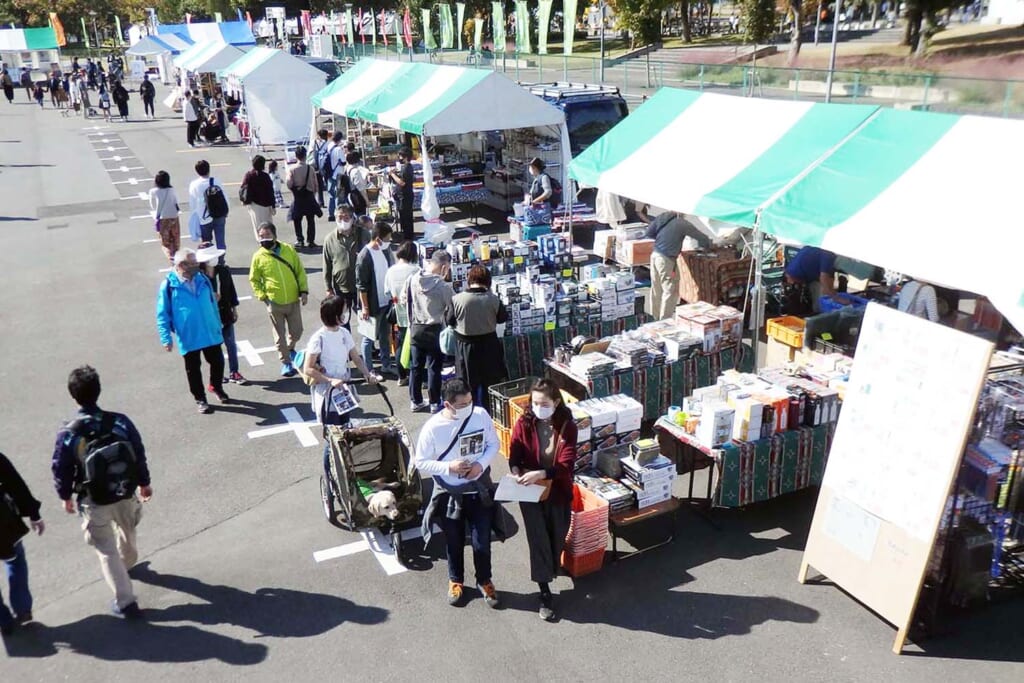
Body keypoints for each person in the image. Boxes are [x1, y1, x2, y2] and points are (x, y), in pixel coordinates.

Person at [52, 366, 152, 619]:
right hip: (124, 491)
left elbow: (61, 468)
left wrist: (65, 496)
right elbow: (138, 452)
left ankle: (126, 601)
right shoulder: (119, 421)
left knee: (105, 549)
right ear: (98, 391)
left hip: (93, 498)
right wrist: (144, 482)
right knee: (128, 531)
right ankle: (127, 563)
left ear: (73, 396)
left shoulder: (69, 434)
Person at [416, 378, 502, 608]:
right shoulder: (433, 427)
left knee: (481, 540)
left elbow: (494, 444)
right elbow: (420, 462)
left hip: (478, 489)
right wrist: (448, 468)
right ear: (448, 405)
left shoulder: (480, 415)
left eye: (470, 402)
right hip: (449, 493)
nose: (468, 407)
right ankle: (456, 580)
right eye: (462, 405)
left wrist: (480, 465)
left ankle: (485, 580)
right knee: (453, 540)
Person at [508, 378, 578, 621]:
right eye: (534, 403)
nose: (538, 407)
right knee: (538, 539)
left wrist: (544, 473)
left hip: (557, 490)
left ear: (556, 402)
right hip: (530, 492)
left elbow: (566, 463)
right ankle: (545, 590)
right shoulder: (524, 422)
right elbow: (514, 453)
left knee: (558, 533)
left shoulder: (567, 426)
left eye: (544, 403)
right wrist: (517, 471)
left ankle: (551, 566)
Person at [303, 296, 379, 500]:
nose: (347, 314)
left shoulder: (344, 333)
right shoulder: (318, 338)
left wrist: (367, 374)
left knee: (346, 434)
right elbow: (308, 368)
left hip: (343, 393)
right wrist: (329, 379)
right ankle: (330, 476)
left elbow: (355, 357)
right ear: (336, 315)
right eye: (344, 311)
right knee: (332, 438)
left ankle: (348, 471)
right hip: (327, 394)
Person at [157, 249, 228, 413]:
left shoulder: (202, 278)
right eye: (193, 263)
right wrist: (165, 338)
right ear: (182, 265)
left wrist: (218, 323)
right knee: (193, 369)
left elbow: (212, 303)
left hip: (209, 330)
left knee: (217, 362)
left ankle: (216, 386)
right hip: (189, 335)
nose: (198, 265)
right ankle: (200, 399)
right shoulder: (168, 285)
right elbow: (162, 314)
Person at [249, 223, 309, 377]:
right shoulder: (258, 257)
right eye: (261, 236)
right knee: (279, 336)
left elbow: (299, 271)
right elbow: (254, 279)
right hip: (274, 302)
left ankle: (290, 347)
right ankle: (286, 362)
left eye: (267, 235)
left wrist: (303, 291)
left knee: (297, 331)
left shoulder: (288, 250)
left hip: (293, 299)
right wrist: (262, 296)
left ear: (275, 235)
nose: (264, 238)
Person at [448, 265, 508, 408]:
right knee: (490, 385)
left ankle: (469, 411)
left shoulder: (457, 299)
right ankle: (490, 413)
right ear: (488, 281)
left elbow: (449, 320)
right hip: (489, 347)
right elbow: (502, 318)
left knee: (468, 385)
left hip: (465, 348)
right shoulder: (493, 299)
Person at [0, 452, 44, 636]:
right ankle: (22, 608)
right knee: (15, 561)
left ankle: (3, 620)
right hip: (4, 524)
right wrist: (33, 513)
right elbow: (16, 485)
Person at [405, 250, 454, 412]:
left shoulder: (412, 279)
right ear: (444, 266)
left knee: (416, 366)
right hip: (434, 330)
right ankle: (434, 402)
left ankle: (416, 400)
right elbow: (453, 305)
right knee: (434, 368)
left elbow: (406, 300)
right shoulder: (442, 286)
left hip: (416, 328)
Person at [197, 244, 247, 385]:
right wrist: (210, 296)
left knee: (230, 343)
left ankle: (234, 372)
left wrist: (234, 308)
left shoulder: (223, 271)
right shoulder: (198, 276)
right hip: (209, 316)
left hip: (225, 312)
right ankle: (217, 375)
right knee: (213, 347)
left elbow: (231, 289)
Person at [645, 211, 708, 320]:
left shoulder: (663, 218)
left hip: (655, 255)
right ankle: (665, 320)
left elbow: (649, 233)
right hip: (666, 259)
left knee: (656, 288)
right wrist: (708, 246)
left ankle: (653, 318)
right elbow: (700, 236)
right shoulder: (681, 223)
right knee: (670, 290)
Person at [356, 221, 396, 379]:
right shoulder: (364, 256)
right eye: (387, 238)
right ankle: (369, 370)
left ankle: (386, 365)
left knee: (385, 335)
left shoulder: (385, 251)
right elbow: (362, 286)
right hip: (372, 305)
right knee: (368, 338)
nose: (389, 242)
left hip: (386, 302)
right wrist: (365, 308)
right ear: (378, 239)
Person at [323, 204, 369, 320]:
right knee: (342, 319)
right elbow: (327, 264)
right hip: (341, 287)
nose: (343, 220)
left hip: (362, 286)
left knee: (365, 319)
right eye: (340, 217)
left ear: (353, 218)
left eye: (346, 217)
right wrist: (328, 288)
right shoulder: (330, 239)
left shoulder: (363, 234)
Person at [384, 240, 420, 387]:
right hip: (415, 313)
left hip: (398, 312)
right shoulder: (415, 270)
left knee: (399, 343)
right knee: (414, 346)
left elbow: (387, 292)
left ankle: (401, 375)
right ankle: (415, 376)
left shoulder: (390, 270)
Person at [188, 159, 229, 257]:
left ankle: (209, 262)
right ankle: (221, 262)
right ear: (209, 169)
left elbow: (192, 203)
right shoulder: (216, 181)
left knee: (206, 241)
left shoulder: (194, 184)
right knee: (220, 240)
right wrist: (226, 211)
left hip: (204, 217)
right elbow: (224, 197)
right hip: (219, 214)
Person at [784, 246, 836, 314]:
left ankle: (816, 312)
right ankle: (818, 314)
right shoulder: (829, 255)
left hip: (792, 272)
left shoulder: (815, 246)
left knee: (823, 291)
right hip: (797, 276)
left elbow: (830, 276)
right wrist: (835, 297)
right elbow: (824, 280)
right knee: (820, 300)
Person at [287, 145, 320, 249]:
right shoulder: (310, 169)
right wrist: (314, 194)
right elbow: (316, 185)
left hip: (298, 197)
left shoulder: (292, 169)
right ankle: (311, 241)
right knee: (311, 220)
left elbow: (289, 183)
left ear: (296, 156)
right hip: (309, 196)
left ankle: (300, 240)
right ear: (305, 156)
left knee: (297, 219)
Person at [148, 170, 180, 265]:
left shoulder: (154, 191)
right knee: (175, 240)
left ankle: (172, 260)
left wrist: (156, 214)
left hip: (163, 218)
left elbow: (153, 205)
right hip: (174, 217)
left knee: (165, 243)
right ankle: (177, 259)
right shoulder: (172, 189)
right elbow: (176, 201)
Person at [241, 155, 276, 238]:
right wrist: (273, 206)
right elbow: (271, 192)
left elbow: (243, 188)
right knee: (268, 226)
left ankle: (261, 241)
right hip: (266, 205)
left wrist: (244, 200)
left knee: (257, 226)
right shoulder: (266, 176)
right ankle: (270, 241)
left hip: (254, 205)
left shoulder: (249, 175)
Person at [389, 147, 416, 241]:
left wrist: (392, 174)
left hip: (405, 196)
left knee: (406, 217)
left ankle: (408, 236)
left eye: (400, 156)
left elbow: (402, 183)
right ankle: (407, 234)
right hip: (404, 195)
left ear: (405, 157)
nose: (399, 158)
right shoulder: (406, 167)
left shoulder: (407, 168)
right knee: (405, 216)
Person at [326, 131, 348, 219]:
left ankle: (331, 214)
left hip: (330, 173)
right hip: (338, 174)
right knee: (339, 195)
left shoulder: (329, 146)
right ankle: (339, 214)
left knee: (331, 194)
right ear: (340, 139)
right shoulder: (338, 149)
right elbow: (343, 162)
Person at [346, 151, 370, 216]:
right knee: (361, 216)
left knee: (356, 214)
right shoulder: (355, 171)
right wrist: (367, 200)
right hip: (357, 196)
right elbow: (360, 188)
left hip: (351, 195)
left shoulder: (348, 168)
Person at [312, 128, 330, 208]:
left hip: (316, 166)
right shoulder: (327, 144)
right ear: (326, 135)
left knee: (319, 185)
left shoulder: (314, 142)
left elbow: (311, 152)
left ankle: (320, 202)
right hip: (325, 166)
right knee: (328, 182)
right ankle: (330, 200)